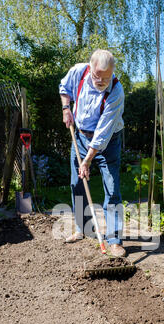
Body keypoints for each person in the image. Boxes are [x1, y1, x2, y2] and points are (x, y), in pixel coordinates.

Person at [59, 49, 126, 257]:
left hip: (108, 141)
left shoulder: (116, 91)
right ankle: (84, 229)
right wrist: (66, 109)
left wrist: (87, 161)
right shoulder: (79, 72)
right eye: (98, 76)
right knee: (77, 184)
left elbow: (102, 135)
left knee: (112, 188)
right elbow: (64, 88)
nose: (102, 81)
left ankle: (114, 240)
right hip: (79, 136)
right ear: (90, 68)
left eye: (107, 78)